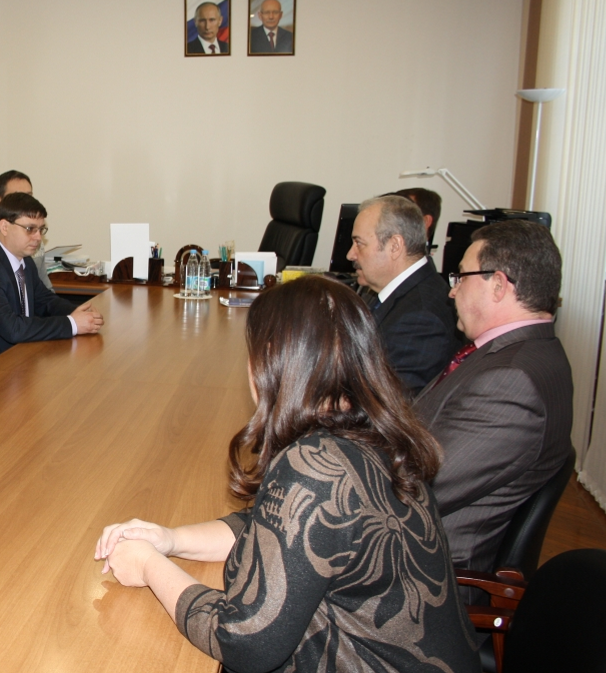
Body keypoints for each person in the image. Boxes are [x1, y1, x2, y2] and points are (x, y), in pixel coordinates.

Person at [94, 275, 479, 672]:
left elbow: (246, 641)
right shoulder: (376, 432)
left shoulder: (315, 464)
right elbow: (280, 531)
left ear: (272, 362)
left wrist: (150, 567)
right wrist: (170, 539)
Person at [415, 220, 573, 577]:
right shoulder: (522, 353)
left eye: (461, 277)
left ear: (499, 285)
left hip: (428, 573)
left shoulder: (511, 381)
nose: (452, 292)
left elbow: (418, 489)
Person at [0, 193, 103, 352]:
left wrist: (78, 312)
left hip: (19, 352)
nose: (38, 237)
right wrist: (73, 324)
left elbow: (45, 301)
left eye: (41, 229)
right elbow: (13, 329)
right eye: (30, 229)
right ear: (5, 227)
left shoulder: (25, 260)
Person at [347, 195, 463, 396]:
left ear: (395, 245)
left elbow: (390, 402)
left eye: (359, 243)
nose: (350, 254)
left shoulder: (421, 318)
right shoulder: (384, 290)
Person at [0, 171, 55, 289]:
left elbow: (45, 289)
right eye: (17, 197)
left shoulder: (34, 240)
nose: (25, 202)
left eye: (28, 196)